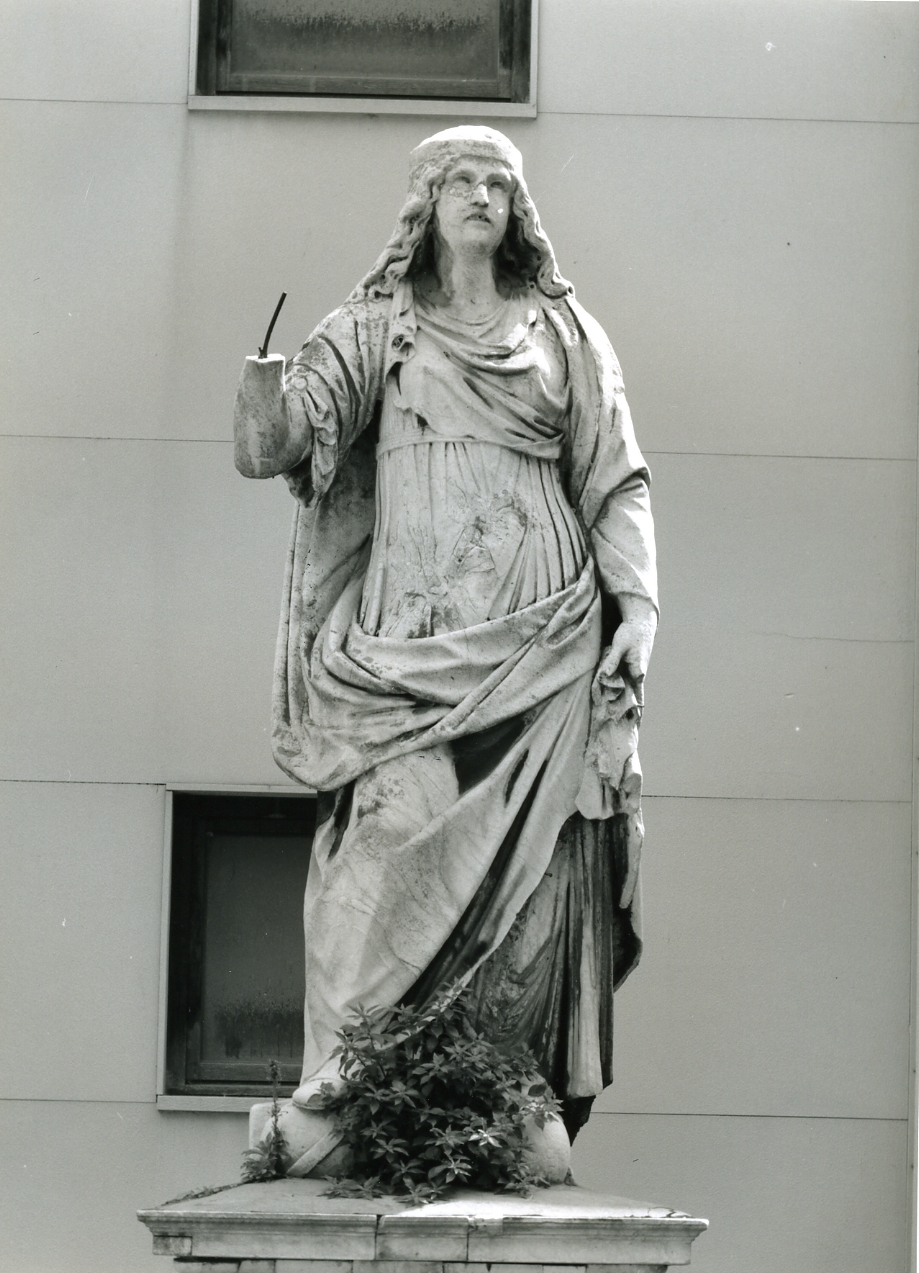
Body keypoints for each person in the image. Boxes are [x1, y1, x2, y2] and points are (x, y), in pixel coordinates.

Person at [234, 126, 657, 1143]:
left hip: (546, 638)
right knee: (382, 838)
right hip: (412, 641)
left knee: (532, 876)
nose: (481, 196)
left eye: (498, 183)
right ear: (424, 204)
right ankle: (349, 1086)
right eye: (460, 180)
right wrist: (264, 390)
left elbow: (616, 481)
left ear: (519, 208)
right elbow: (277, 446)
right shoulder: (373, 326)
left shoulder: (564, 330)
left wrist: (637, 610)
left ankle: (498, 1100)